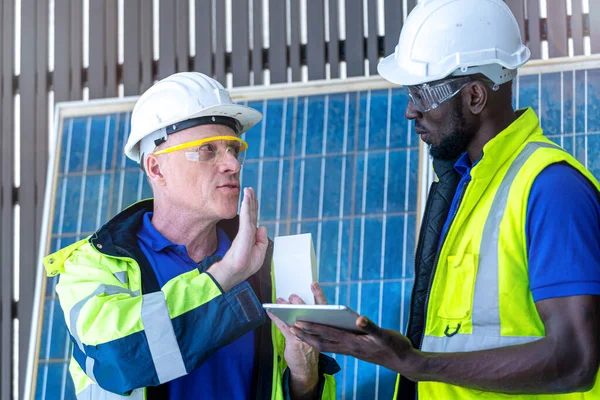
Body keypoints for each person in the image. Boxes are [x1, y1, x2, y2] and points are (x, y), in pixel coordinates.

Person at [290, 0, 600, 398]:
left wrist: (416, 364)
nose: (409, 110)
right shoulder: (464, 187)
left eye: (422, 93)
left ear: (474, 96)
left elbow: (575, 360)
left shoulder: (551, 189)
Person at [43, 72, 339, 399]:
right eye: (207, 150)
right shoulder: (92, 268)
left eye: (234, 149)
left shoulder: (275, 268)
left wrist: (305, 375)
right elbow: (122, 357)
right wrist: (226, 275)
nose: (232, 164)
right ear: (156, 169)